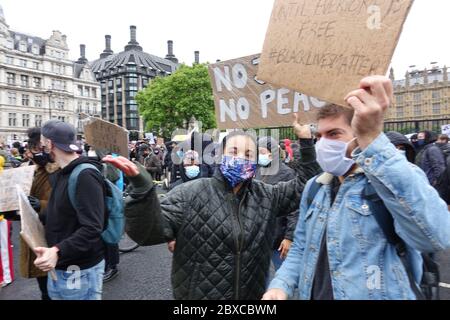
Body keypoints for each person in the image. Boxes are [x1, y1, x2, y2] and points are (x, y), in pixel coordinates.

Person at [263, 76, 450, 300]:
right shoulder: (316, 187)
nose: (323, 143)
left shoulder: (389, 181)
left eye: (334, 134)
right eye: (319, 136)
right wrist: (280, 285)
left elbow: (434, 236)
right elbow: (302, 248)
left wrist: (373, 140)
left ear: (358, 133)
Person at [104, 119, 319, 300]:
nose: (240, 158)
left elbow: (305, 187)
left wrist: (307, 144)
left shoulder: (266, 195)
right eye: (234, 151)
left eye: (248, 154)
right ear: (220, 155)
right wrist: (142, 190)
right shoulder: (190, 193)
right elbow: (149, 232)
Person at [33, 120, 106, 300]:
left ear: (49, 144)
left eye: (43, 143)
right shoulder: (62, 173)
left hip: (78, 269)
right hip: (61, 267)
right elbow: (62, 214)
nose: (40, 147)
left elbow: (92, 228)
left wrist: (57, 250)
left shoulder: (85, 175)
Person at [19, 128, 59, 300]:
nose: (32, 152)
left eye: (36, 148)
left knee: (60, 287)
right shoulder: (27, 170)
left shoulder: (60, 170)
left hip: (54, 239)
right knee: (44, 289)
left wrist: (41, 205)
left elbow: (68, 207)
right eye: (32, 148)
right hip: (34, 236)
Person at [255, 136, 301, 274]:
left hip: (278, 237)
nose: (259, 156)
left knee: (280, 276)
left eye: (262, 152)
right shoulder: (258, 170)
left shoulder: (286, 173)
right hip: (260, 236)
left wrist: (289, 237)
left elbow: (294, 208)